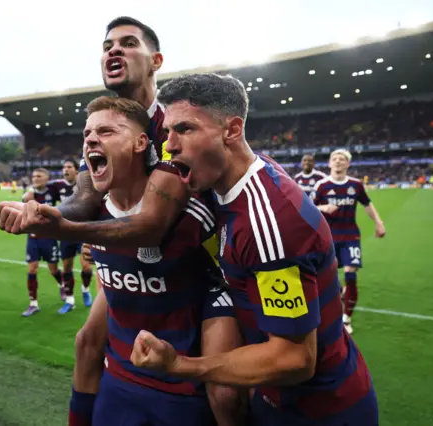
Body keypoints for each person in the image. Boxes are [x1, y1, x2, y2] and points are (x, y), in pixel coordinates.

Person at [0, 18, 243, 426]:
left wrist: (64, 230)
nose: (113, 50)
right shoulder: (107, 127)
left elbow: (151, 222)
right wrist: (45, 214)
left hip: (199, 266)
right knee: (87, 341)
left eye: (128, 44)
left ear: (156, 60)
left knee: (225, 391)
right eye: (107, 45)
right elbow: (84, 199)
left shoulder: (174, 126)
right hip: (137, 264)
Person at [125, 73, 379, 426]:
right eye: (169, 131)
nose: (170, 145)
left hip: (317, 410)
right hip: (273, 398)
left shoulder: (270, 221)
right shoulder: (230, 182)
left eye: (184, 129)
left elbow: (293, 359)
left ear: (231, 130)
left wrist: (180, 366)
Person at [27, 97, 244, 425]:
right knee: (86, 340)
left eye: (106, 131)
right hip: (121, 380)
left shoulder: (189, 212)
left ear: (141, 142)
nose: (90, 139)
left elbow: (226, 278)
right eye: (86, 133)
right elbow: (112, 278)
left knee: (227, 394)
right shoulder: (94, 210)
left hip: (180, 385)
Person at [312, 150, 386, 334]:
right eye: (335, 159)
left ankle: (346, 319)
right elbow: (308, 207)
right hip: (327, 237)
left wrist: (379, 223)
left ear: (348, 164)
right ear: (329, 163)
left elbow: (367, 205)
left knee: (351, 275)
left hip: (350, 236)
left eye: (342, 159)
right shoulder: (322, 185)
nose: (338, 162)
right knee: (327, 279)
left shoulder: (356, 185)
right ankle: (338, 297)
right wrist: (323, 207)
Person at [20, 168, 63, 317]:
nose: (35, 178)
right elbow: (23, 206)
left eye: (39, 176)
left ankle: (62, 284)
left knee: (53, 270)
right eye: (33, 176)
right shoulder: (29, 195)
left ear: (46, 178)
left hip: (49, 238)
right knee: (32, 269)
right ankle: (33, 304)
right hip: (33, 238)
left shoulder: (53, 191)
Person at [54, 158, 93, 313]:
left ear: (77, 170)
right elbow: (37, 191)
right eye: (64, 167)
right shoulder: (57, 186)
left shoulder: (85, 185)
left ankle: (85, 289)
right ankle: (70, 300)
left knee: (87, 267)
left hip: (83, 232)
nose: (66, 170)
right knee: (67, 267)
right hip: (66, 233)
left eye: (69, 167)